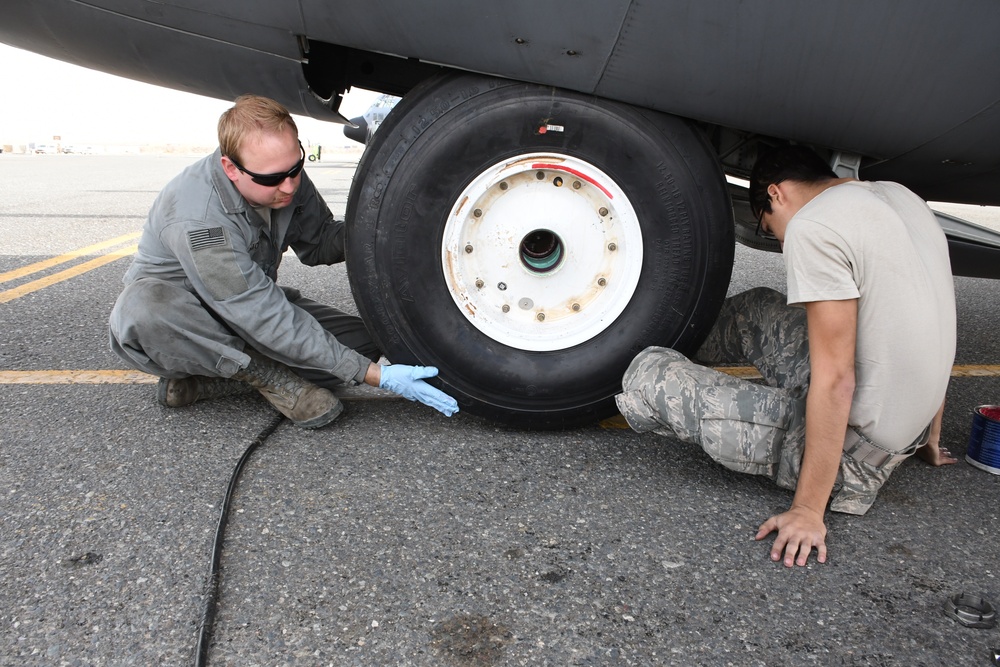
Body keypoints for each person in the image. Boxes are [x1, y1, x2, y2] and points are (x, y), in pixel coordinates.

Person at [616, 144, 956, 567]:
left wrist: (808, 511)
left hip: (854, 458)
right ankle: (679, 350)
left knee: (648, 372)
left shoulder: (814, 226)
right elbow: (935, 316)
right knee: (758, 306)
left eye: (766, 225)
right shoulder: (901, 199)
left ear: (775, 194)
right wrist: (930, 435)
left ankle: (641, 362)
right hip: (908, 429)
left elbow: (836, 380)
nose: (776, 237)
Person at [109, 94, 458, 428]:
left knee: (366, 343)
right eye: (273, 179)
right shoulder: (199, 220)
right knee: (146, 307)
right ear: (231, 168)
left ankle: (214, 383)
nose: (290, 186)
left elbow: (319, 242)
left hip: (250, 305)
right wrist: (374, 375)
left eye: (296, 169)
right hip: (188, 325)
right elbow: (257, 313)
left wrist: (391, 230)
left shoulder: (282, 176)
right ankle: (268, 377)